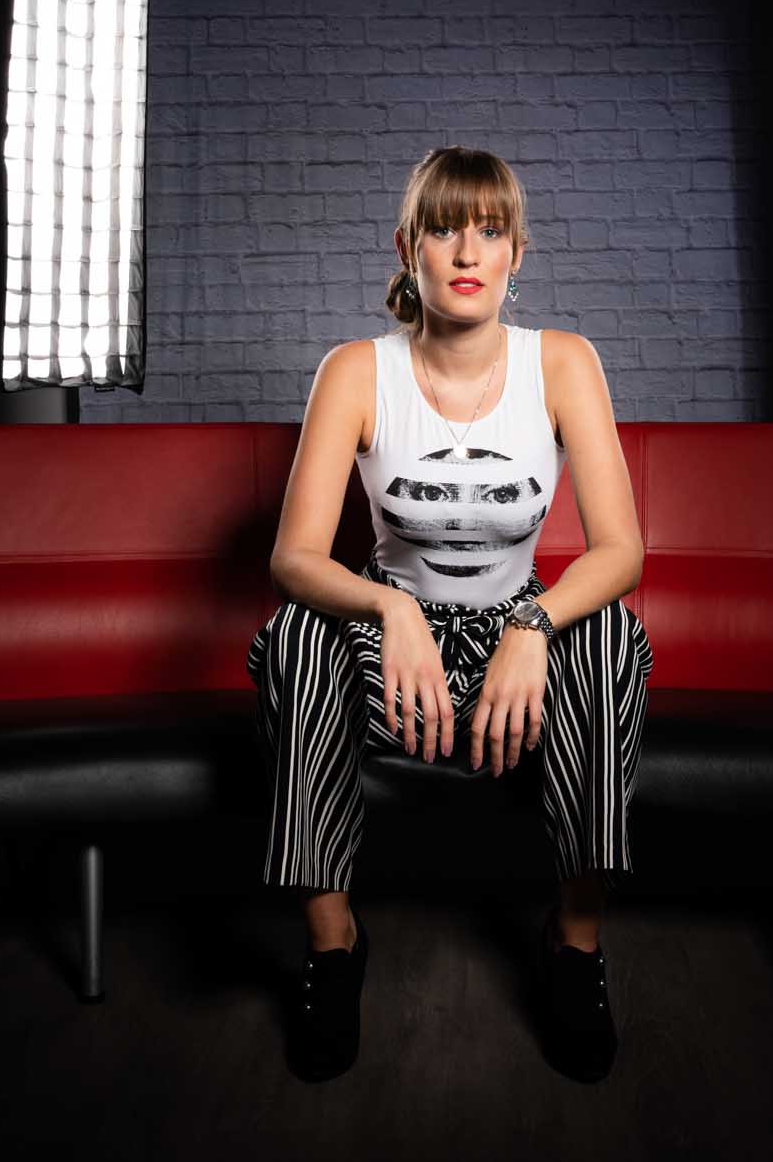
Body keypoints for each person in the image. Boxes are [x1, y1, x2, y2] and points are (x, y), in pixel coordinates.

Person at [246, 144, 655, 1082]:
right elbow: (292, 560)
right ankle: (332, 948)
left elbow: (620, 552)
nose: (466, 250)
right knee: (293, 639)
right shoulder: (355, 370)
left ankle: (575, 951)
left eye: (489, 230)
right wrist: (390, 608)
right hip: (394, 654)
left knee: (613, 639)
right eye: (442, 228)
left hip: (517, 654)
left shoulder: (563, 362)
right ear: (407, 249)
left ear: (517, 254)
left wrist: (533, 625)